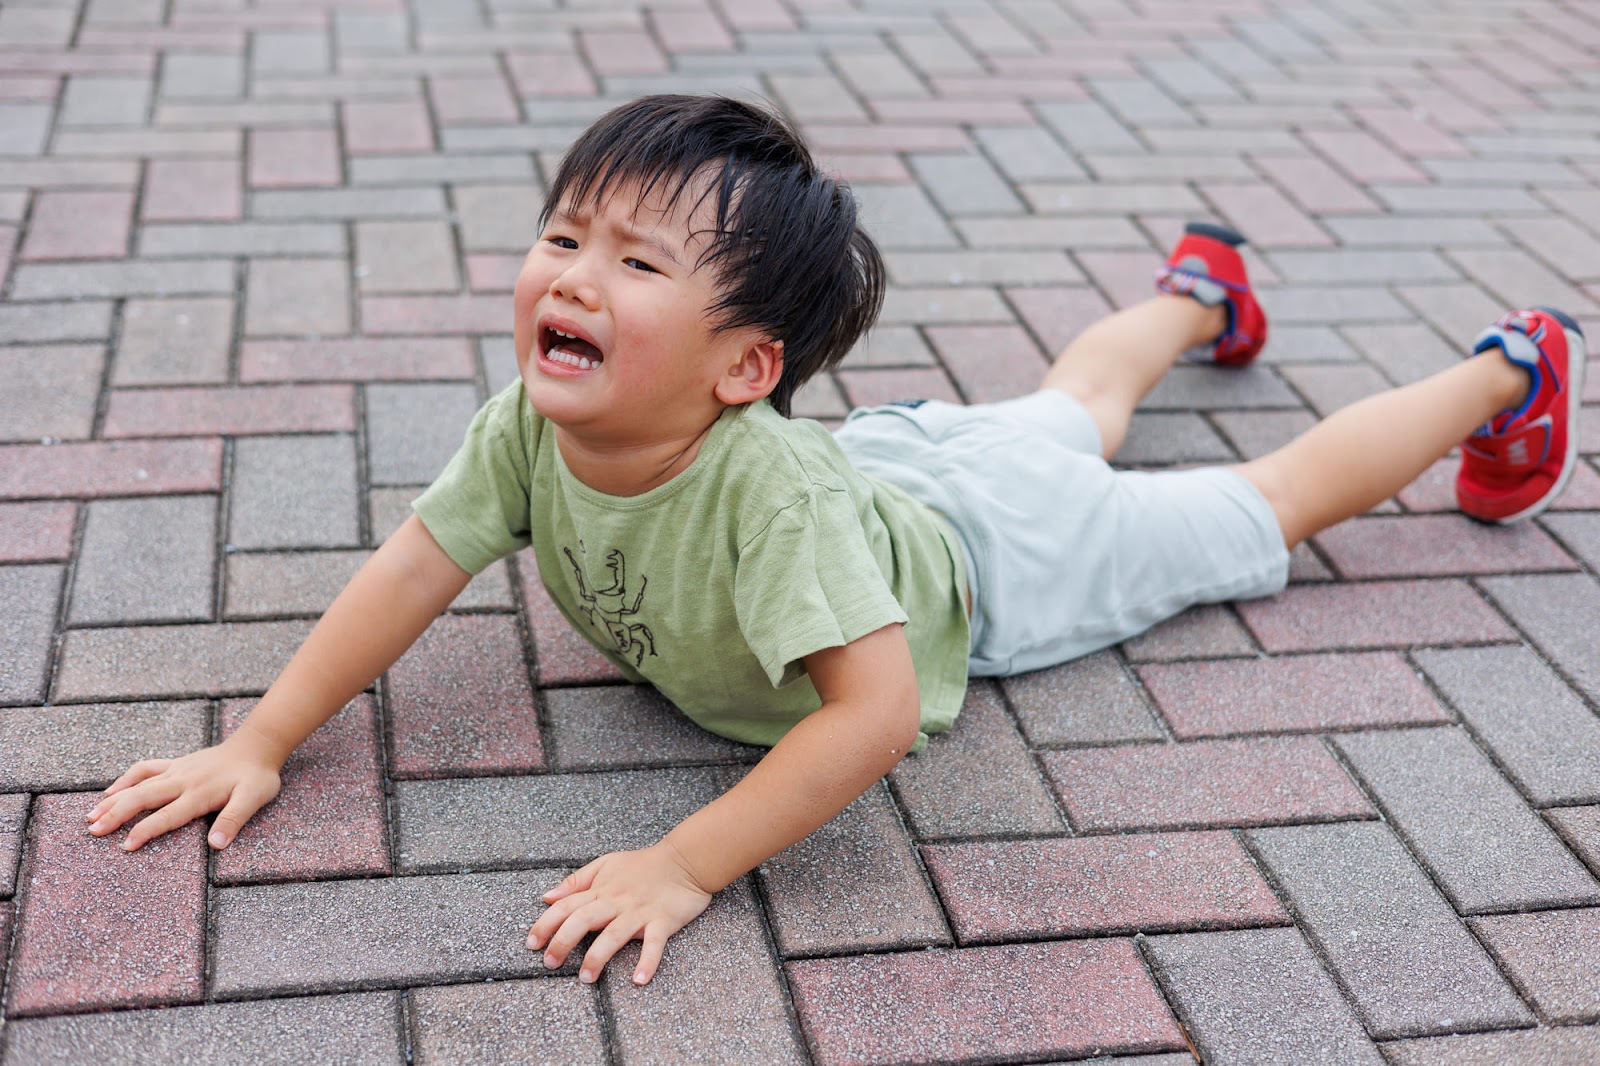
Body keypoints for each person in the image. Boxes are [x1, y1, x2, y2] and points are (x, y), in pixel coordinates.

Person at [87, 94, 1586, 987]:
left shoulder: (768, 496)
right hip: (894, 469)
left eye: (639, 260)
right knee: (1069, 399)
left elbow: (869, 717)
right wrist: (268, 737)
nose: (575, 276)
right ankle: (1201, 297)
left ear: (745, 367)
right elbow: (417, 560)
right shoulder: (531, 426)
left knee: (1264, 496)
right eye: (566, 236)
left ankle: (1511, 367)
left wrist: (685, 862)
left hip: (1007, 556)